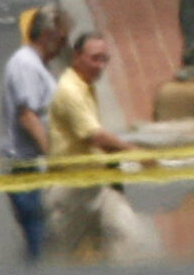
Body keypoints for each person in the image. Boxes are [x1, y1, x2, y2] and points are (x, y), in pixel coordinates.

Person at [45, 33, 133, 261]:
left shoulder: (85, 86)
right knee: (62, 257)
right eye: (95, 58)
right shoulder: (71, 91)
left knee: (129, 237)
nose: (101, 66)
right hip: (71, 189)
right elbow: (93, 136)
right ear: (76, 57)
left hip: (97, 186)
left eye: (105, 59)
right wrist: (133, 152)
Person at [0, 5, 68, 261]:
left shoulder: (39, 66)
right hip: (28, 169)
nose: (65, 45)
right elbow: (27, 117)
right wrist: (54, 159)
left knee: (50, 244)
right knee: (42, 246)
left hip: (36, 169)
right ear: (48, 35)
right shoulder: (25, 65)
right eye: (62, 38)